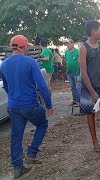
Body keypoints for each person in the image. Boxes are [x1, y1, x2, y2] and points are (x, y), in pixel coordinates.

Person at [0, 35, 53, 179]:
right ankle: (31, 153)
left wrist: (13, 96)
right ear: (24, 47)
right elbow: (42, 86)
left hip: (13, 106)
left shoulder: (3, 64)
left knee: (16, 136)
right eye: (28, 46)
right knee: (42, 124)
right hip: (30, 104)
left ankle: (18, 167)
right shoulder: (31, 62)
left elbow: (5, 85)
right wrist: (48, 104)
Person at [79, 20, 100, 151]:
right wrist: (92, 91)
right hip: (89, 88)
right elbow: (83, 72)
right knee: (90, 113)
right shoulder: (83, 48)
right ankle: (95, 142)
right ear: (94, 32)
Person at [65, 39, 81, 105]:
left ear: (73, 44)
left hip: (76, 72)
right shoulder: (67, 52)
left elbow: (79, 62)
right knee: (72, 87)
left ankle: (78, 100)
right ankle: (74, 100)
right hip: (69, 72)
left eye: (69, 44)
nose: (67, 45)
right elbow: (66, 61)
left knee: (78, 87)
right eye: (67, 44)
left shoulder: (77, 52)